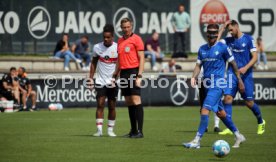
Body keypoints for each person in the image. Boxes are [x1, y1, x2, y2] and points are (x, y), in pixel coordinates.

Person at [183, 24, 246, 149]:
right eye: (209, 32)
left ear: (218, 34)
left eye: (214, 32)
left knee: (205, 110)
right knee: (221, 114)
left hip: (218, 84)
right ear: (207, 34)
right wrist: (193, 77)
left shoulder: (223, 47)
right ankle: (238, 135)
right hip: (207, 85)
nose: (212, 35)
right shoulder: (202, 49)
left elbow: (233, 64)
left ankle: (197, 140)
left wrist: (239, 80)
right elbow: (197, 66)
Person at [217, 20, 266, 136]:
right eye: (228, 30)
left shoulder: (249, 39)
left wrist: (245, 67)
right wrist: (223, 28)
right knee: (227, 99)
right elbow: (216, 43)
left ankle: (260, 121)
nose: (230, 32)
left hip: (246, 75)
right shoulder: (229, 40)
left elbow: (255, 57)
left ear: (236, 26)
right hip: (231, 74)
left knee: (249, 103)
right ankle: (229, 127)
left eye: (231, 29)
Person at [113, 18, 145, 138]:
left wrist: (139, 75)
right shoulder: (120, 41)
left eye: (128, 27)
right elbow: (119, 60)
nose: (126, 29)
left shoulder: (137, 39)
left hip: (133, 71)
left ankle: (140, 131)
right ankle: (133, 131)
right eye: (124, 27)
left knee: (136, 100)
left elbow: (142, 58)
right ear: (121, 28)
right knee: (129, 102)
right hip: (124, 73)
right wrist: (115, 74)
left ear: (131, 26)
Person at [89, 24, 118, 137]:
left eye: (108, 37)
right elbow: (93, 63)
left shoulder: (117, 47)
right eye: (104, 37)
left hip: (113, 82)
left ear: (112, 37)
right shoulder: (97, 47)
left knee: (112, 106)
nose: (105, 39)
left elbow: (120, 65)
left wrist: (115, 78)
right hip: (100, 81)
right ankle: (99, 130)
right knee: (100, 104)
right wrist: (90, 79)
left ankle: (110, 130)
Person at [198, 68, 221, 133]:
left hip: (215, 86)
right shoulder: (203, 66)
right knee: (204, 107)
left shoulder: (215, 65)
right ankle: (205, 126)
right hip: (203, 87)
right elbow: (199, 80)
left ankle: (216, 126)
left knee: (217, 106)